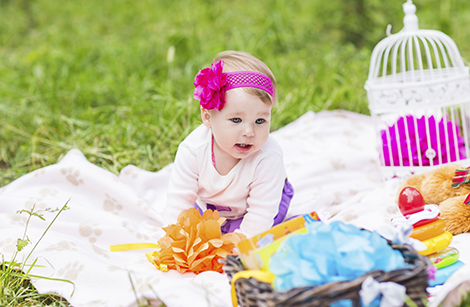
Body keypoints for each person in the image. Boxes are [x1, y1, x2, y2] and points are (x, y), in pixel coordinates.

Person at [164, 50, 293, 237]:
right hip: (209, 207)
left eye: (260, 121)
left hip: (260, 207)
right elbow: (179, 200)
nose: (249, 132)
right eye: (236, 120)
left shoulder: (267, 157)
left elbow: (261, 213)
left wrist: (239, 244)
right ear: (208, 117)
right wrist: (174, 239)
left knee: (261, 233)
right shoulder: (193, 150)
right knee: (194, 228)